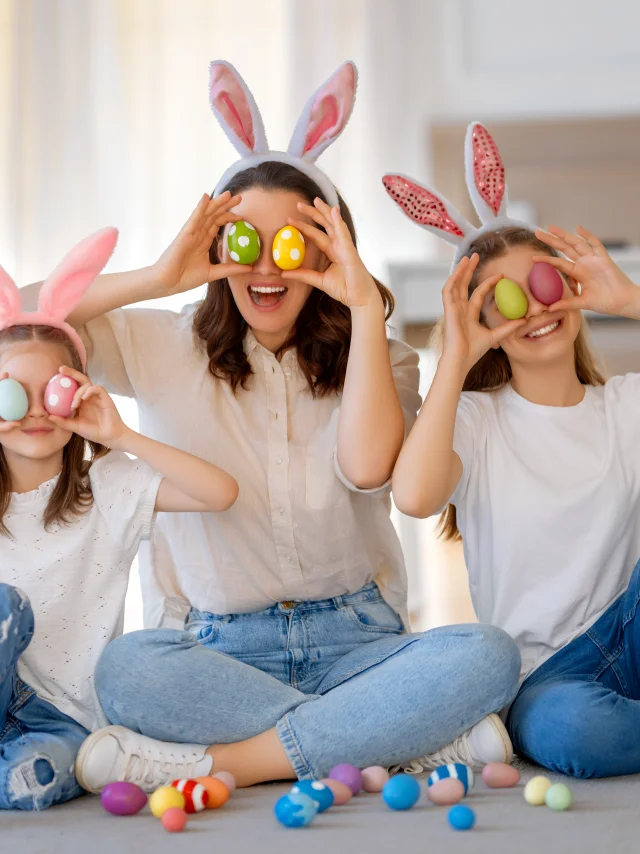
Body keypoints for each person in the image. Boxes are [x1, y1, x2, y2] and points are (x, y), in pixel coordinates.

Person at [40, 65, 520, 792]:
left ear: (332, 251)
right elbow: (30, 323)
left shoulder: (381, 352)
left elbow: (367, 469)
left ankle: (234, 763)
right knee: (125, 670)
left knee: (488, 655)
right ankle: (392, 739)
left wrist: (364, 309)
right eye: (245, 243)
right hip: (218, 649)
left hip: (359, 640)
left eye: (293, 246)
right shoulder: (161, 342)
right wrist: (162, 275)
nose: (267, 267)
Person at [387, 121, 640, 778]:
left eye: (544, 283)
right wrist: (455, 351)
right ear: (482, 324)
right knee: (576, 734)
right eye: (503, 300)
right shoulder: (473, 419)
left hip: (631, 621)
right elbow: (413, 497)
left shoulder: (623, 408)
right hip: (547, 675)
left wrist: (628, 297)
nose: (533, 309)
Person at [0, 228, 238, 809]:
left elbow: (221, 492)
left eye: (52, 391)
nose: (33, 411)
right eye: (10, 394)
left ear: (80, 393)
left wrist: (122, 435)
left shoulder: (108, 486)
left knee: (27, 782)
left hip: (63, 721)